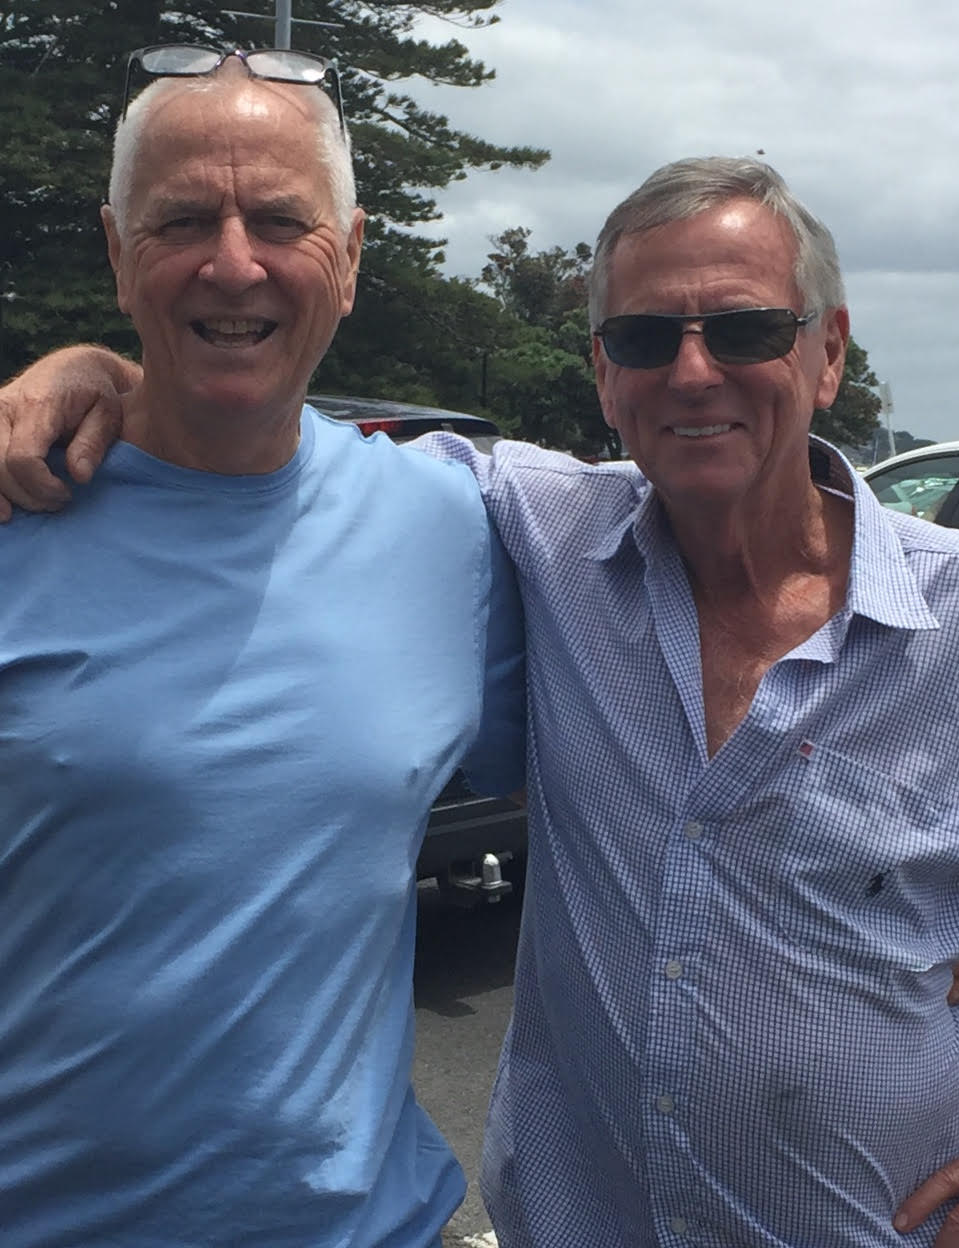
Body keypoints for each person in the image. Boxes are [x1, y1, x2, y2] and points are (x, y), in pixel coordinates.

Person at [0, 145, 959, 1244]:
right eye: (644, 338)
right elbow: (243, 406)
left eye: (744, 330)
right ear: (603, 373)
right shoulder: (531, 536)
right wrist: (85, 372)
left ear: (828, 353)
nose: (692, 373)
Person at [0, 48, 525, 1247]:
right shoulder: (16, 512)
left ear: (350, 255)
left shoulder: (449, 527)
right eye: (182, 219)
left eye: (281, 222)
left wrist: (920, 910)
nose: (233, 263)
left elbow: (668, 752)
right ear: (116, 251)